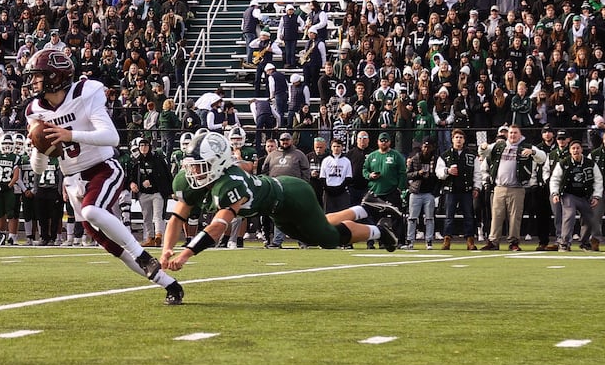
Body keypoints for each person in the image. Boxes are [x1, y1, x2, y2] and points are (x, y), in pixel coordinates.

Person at [24, 48, 183, 305]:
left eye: (38, 76)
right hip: (72, 180)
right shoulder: (34, 110)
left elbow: (112, 137)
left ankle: (143, 256)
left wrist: (70, 135)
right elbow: (39, 169)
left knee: (91, 211)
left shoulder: (85, 92)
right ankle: (171, 285)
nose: (33, 81)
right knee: (113, 248)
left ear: (54, 76)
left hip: (102, 168)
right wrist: (39, 147)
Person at [162, 130, 401, 277]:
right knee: (311, 234)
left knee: (328, 238)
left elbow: (217, 227)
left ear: (219, 162)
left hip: (293, 195)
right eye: (192, 165)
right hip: (276, 208)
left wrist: (185, 255)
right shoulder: (190, 181)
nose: (194, 171)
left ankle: (379, 231)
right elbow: (177, 218)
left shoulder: (230, 184)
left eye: (200, 165)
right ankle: (365, 208)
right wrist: (166, 250)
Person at [477, 124, 545, 251]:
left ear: (520, 134)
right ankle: (493, 241)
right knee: (496, 215)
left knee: (515, 217)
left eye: (515, 133)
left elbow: (542, 158)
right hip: (499, 187)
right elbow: (483, 152)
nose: (512, 135)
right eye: (511, 133)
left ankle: (513, 242)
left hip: (517, 187)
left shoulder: (527, 146)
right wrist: (483, 146)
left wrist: (533, 152)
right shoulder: (499, 145)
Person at [550, 139, 601, 252]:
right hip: (569, 195)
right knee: (569, 215)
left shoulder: (590, 163)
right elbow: (555, 179)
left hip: (584, 196)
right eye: (573, 148)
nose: (576, 150)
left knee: (589, 218)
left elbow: (598, 180)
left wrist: (596, 196)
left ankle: (584, 242)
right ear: (570, 151)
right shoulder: (563, 163)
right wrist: (555, 193)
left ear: (582, 150)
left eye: (578, 148)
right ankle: (564, 243)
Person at [434, 128, 478, 250]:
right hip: (451, 190)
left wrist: (476, 187)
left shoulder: (471, 155)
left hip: (466, 190)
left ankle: (470, 240)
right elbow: (438, 172)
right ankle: (447, 239)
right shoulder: (445, 156)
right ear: (452, 139)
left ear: (464, 140)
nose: (458, 139)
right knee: (449, 216)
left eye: (461, 137)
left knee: (469, 216)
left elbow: (477, 173)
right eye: (456, 137)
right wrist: (447, 171)